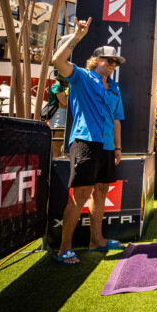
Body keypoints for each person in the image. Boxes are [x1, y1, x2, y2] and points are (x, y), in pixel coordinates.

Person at [51, 17, 125, 265]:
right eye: (109, 60)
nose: (113, 64)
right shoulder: (81, 76)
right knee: (81, 194)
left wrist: (118, 147)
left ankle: (96, 240)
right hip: (84, 141)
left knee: (101, 190)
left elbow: (116, 120)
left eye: (115, 62)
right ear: (96, 60)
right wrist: (77, 36)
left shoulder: (114, 88)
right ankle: (64, 249)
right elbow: (57, 61)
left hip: (107, 146)